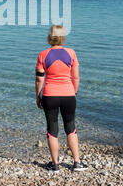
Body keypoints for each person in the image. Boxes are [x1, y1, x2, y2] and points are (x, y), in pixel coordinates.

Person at [35, 25, 88, 172]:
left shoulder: (42, 54)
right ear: (62, 36)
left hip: (49, 95)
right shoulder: (71, 53)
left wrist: (38, 96)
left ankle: (55, 165)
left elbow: (39, 79)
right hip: (68, 95)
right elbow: (76, 77)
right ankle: (77, 163)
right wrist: (74, 92)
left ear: (49, 36)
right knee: (70, 127)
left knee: (52, 129)